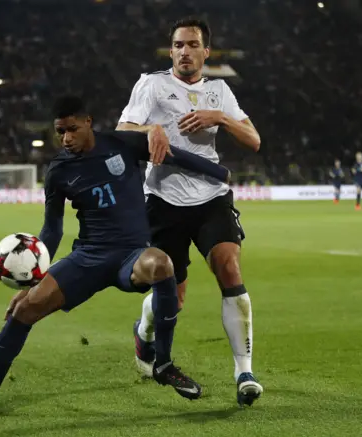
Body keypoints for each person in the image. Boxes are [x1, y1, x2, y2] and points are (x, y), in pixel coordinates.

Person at [0, 95, 232, 421]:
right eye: (60, 132)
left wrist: (219, 172)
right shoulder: (59, 171)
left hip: (131, 255)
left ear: (88, 122)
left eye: (72, 129)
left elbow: (174, 155)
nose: (66, 139)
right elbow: (51, 232)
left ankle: (162, 363)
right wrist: (32, 283)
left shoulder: (123, 143)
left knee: (161, 263)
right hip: (88, 258)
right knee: (23, 310)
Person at [116, 17, 263, 406]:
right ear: (172, 50)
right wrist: (149, 131)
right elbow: (122, 129)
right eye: (178, 45)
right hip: (164, 200)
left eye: (192, 45)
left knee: (229, 267)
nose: (184, 51)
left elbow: (254, 140)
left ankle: (244, 371)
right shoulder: (153, 84)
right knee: (174, 297)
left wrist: (221, 118)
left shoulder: (219, 91)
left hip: (212, 197)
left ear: (206, 51)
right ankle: (144, 331)